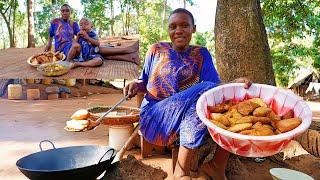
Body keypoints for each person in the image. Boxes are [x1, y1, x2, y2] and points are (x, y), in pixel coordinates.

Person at [124, 8, 251, 180]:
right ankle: (181, 172)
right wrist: (135, 85)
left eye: (184, 25)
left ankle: (216, 167)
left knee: (230, 109)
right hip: (155, 117)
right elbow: (143, 81)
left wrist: (233, 85)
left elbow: (214, 87)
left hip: (187, 118)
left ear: (193, 28)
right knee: (204, 92)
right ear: (168, 30)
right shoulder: (156, 50)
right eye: (173, 26)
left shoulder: (201, 54)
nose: (178, 30)